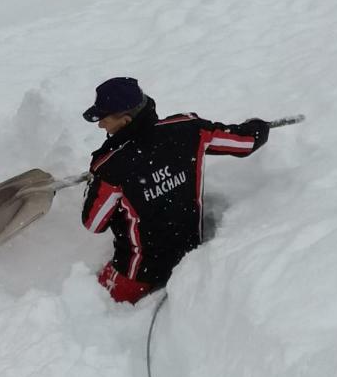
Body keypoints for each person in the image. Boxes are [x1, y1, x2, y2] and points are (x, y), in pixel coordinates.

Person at [81, 77, 269, 304]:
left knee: (90, 302)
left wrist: (95, 183)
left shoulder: (111, 167)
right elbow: (245, 142)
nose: (100, 125)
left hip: (137, 273)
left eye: (103, 118)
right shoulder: (189, 129)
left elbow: (93, 223)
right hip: (189, 256)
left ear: (125, 120)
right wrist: (258, 126)